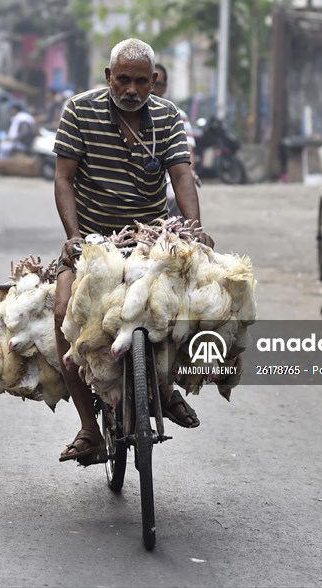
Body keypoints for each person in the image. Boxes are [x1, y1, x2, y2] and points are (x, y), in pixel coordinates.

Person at [53, 38, 213, 465]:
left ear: (153, 81)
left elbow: (182, 174)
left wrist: (193, 229)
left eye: (142, 82)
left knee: (183, 311)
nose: (132, 89)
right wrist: (73, 235)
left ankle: (165, 389)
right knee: (61, 313)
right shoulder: (79, 111)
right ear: (109, 77)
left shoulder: (168, 118)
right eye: (123, 79)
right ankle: (90, 429)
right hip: (90, 240)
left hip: (151, 238)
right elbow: (64, 178)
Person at [154, 62, 199, 216]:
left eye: (157, 84)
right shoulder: (130, 113)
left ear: (165, 87)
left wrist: (189, 172)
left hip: (168, 179)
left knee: (176, 196)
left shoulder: (176, 115)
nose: (152, 89)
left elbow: (188, 152)